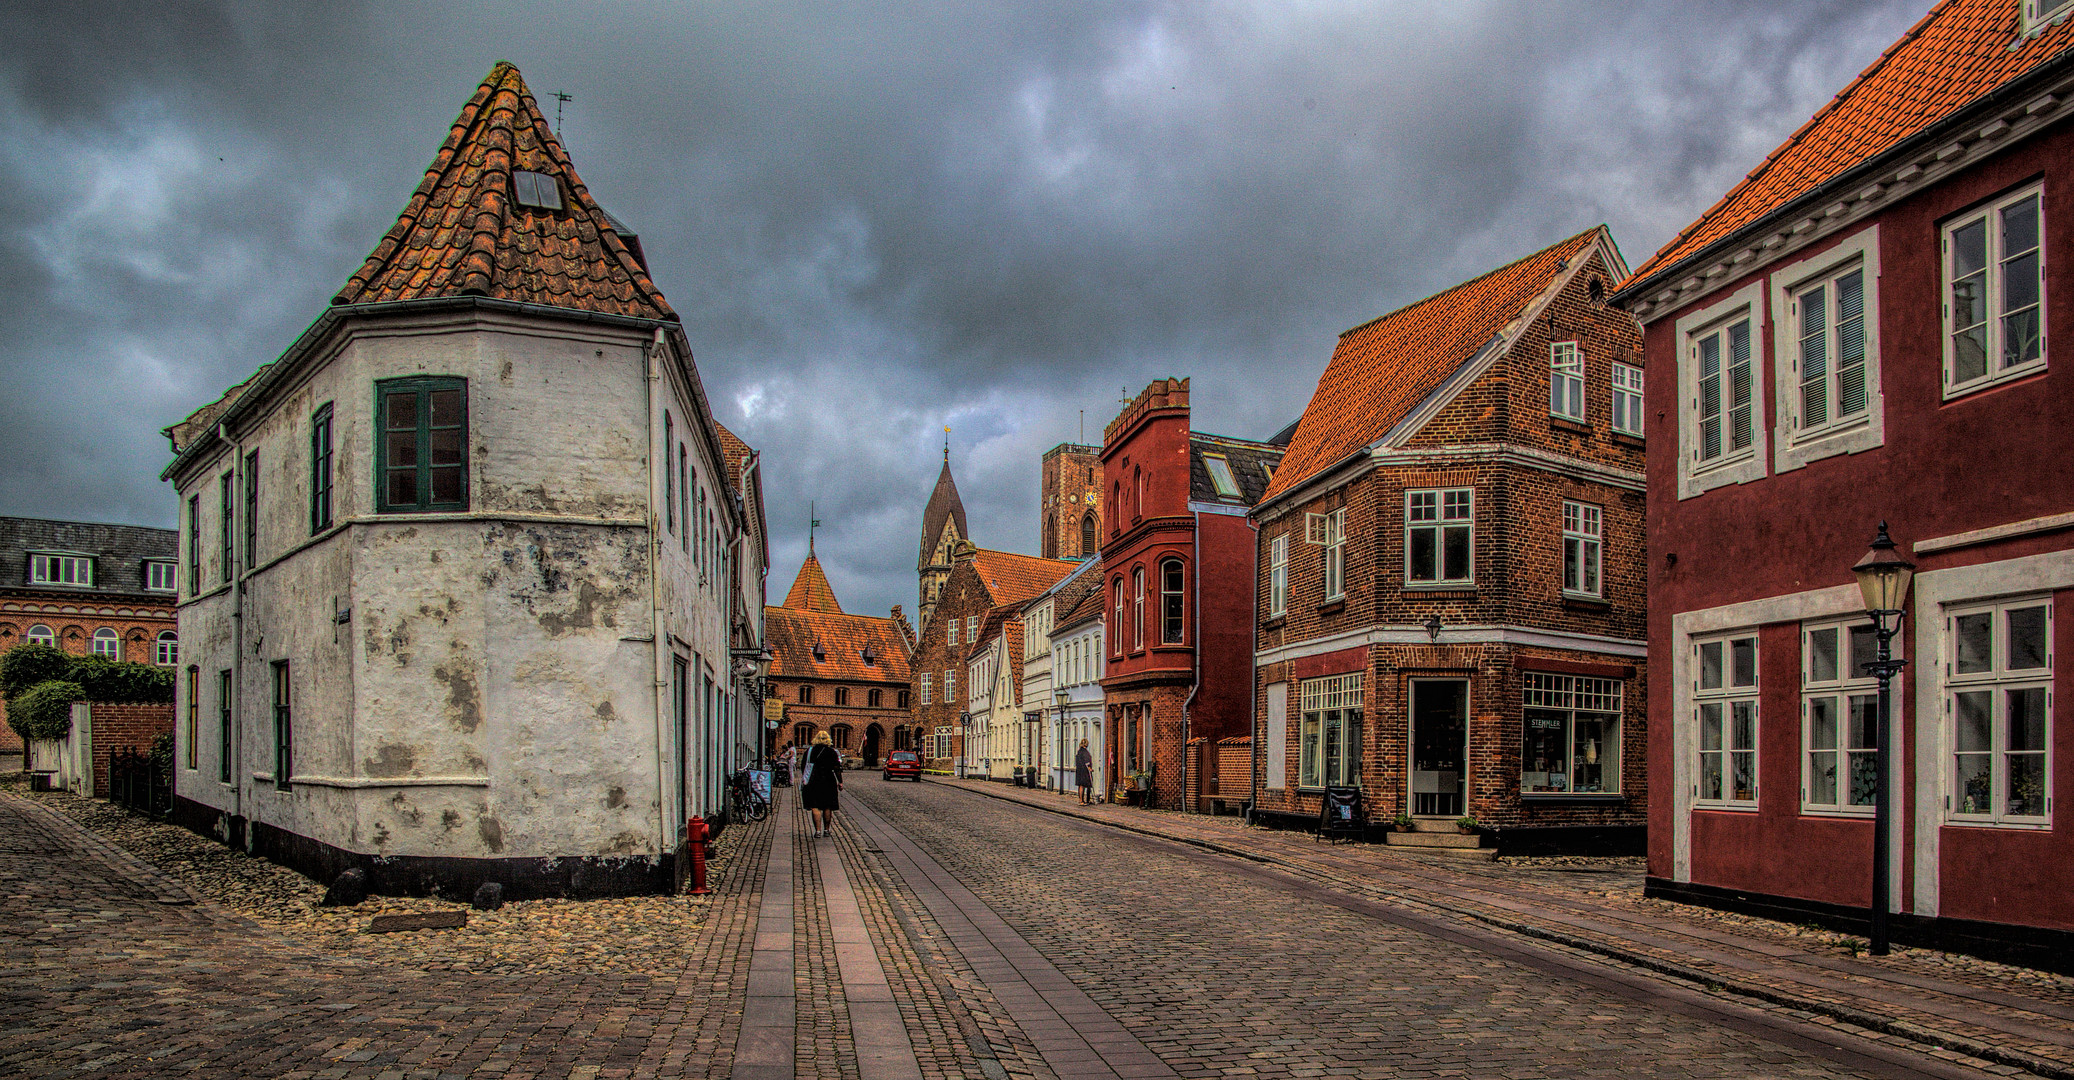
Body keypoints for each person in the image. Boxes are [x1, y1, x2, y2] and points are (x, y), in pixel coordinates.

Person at [801, 731, 844, 837]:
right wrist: (840, 781)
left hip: (813, 780)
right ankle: (827, 830)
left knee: (814, 806)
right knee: (827, 806)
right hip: (828, 780)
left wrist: (805, 777)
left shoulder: (810, 751)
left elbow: (803, 766)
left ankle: (818, 831)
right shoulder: (832, 752)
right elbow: (837, 768)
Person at [1075, 738, 1095, 805]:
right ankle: (1085, 800)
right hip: (1084, 771)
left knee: (1081, 785)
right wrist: (1090, 768)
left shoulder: (1079, 751)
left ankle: (1081, 800)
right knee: (1085, 785)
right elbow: (1087, 762)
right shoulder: (1085, 752)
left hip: (1079, 770)